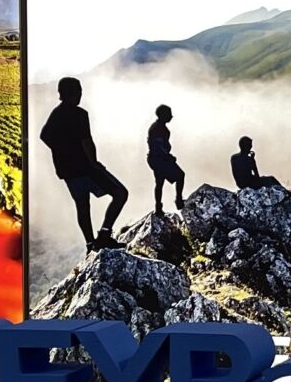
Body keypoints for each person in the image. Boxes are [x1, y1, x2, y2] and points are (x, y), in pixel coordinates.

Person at [37, 77, 127, 253]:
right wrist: (94, 163)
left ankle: (89, 244)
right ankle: (104, 235)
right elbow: (87, 141)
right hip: (86, 168)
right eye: (78, 91)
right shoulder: (80, 114)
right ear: (71, 93)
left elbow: (44, 136)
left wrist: (62, 151)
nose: (80, 94)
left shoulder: (57, 113)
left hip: (67, 171)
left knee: (82, 205)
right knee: (120, 193)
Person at [145, 103, 185, 213]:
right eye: (169, 114)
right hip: (159, 159)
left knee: (159, 182)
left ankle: (159, 207)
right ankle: (178, 201)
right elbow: (157, 145)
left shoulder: (160, 127)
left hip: (157, 159)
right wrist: (168, 156)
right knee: (180, 176)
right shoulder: (158, 128)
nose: (171, 116)